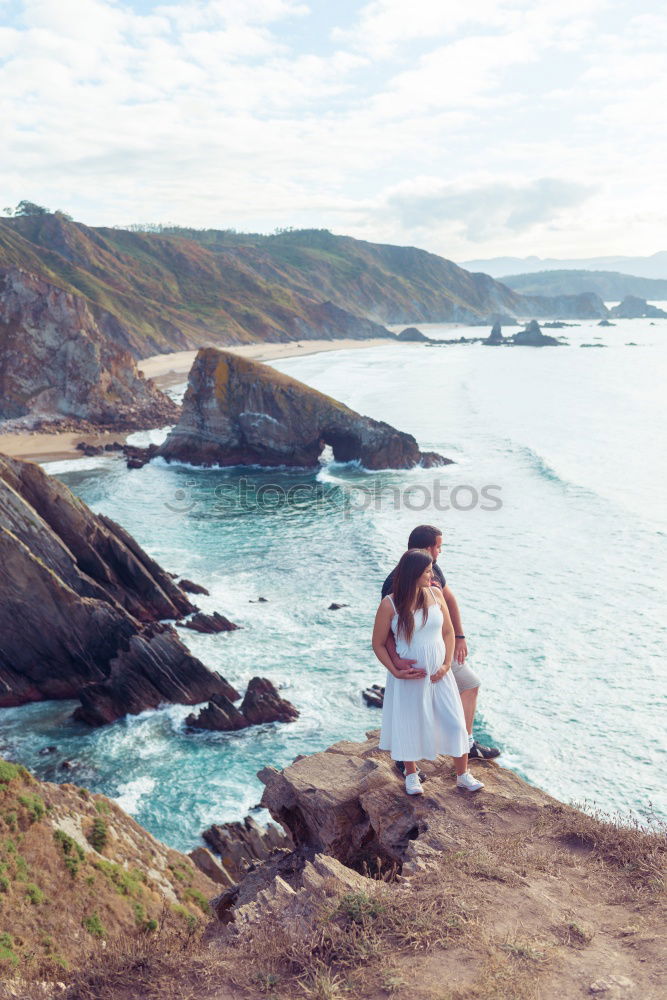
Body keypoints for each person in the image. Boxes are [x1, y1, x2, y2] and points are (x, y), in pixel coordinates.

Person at [381, 525, 499, 767]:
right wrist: (395, 661)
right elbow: (388, 631)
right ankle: (406, 762)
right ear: (427, 549)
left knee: (470, 684)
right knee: (413, 707)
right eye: (439, 546)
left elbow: (449, 600)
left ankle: (466, 744)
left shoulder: (432, 570)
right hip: (413, 655)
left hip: (439, 649)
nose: (440, 552)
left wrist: (459, 637)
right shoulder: (395, 583)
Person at [372, 548, 484, 795]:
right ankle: (411, 776)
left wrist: (446, 665)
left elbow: (448, 632)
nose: (431, 575)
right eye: (426, 571)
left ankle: (463, 775)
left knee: (456, 723)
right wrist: (395, 671)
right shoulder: (389, 604)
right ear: (413, 574)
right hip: (410, 675)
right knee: (409, 723)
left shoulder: (435, 593)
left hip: (439, 674)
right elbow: (378, 643)